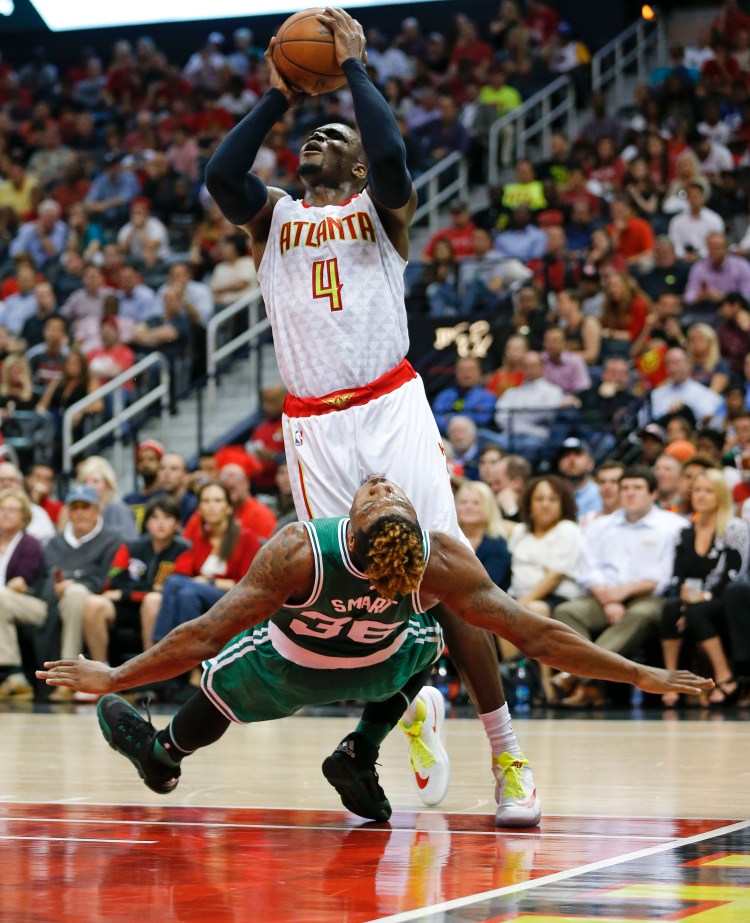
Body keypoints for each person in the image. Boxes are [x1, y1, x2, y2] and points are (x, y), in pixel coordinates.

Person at [203, 8, 540, 825]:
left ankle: (506, 753)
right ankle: (404, 716)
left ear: (353, 166)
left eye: (333, 136)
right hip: (315, 424)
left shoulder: (381, 212)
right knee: (357, 588)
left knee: (444, 575)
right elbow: (221, 176)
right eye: (309, 136)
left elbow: (391, 156)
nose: (320, 139)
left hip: (388, 403)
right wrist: (281, 95)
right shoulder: (272, 217)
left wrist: (352, 70)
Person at [37, 476, 711, 820]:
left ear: (351, 524)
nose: (382, 483)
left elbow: (203, 631)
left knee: (220, 670)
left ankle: (163, 755)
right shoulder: (437, 562)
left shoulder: (303, 549)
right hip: (383, 669)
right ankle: (362, 746)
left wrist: (116, 672)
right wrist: (639, 672)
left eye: (379, 491)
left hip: (286, 675)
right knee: (440, 631)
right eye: (383, 490)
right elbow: (537, 635)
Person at [551, 467, 686, 707]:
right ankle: (590, 686)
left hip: (648, 598)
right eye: (625, 488)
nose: (630, 493)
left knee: (640, 614)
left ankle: (575, 675)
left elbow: (661, 577)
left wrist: (622, 593)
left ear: (653, 493)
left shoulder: (672, 526)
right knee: (567, 611)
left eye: (637, 488)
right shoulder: (601, 525)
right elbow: (588, 569)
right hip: (603, 596)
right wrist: (608, 599)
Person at [659, 469, 748, 708]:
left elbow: (735, 572)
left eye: (708, 491)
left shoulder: (733, 528)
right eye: (697, 490)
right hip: (693, 597)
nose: (701, 495)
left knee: (698, 612)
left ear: (720, 495)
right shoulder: (684, 533)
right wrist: (683, 596)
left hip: (721, 599)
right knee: (670, 609)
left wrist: (704, 596)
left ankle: (725, 677)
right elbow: (678, 575)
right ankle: (670, 679)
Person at [81, 495, 191, 671]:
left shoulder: (184, 550)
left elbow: (171, 589)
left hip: (161, 610)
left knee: (153, 600)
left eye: (167, 518)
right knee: (93, 603)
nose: (160, 523)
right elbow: (113, 582)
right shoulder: (131, 547)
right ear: (147, 523)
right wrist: (148, 588)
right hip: (127, 606)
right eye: (155, 518)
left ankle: (149, 671)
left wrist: (127, 593)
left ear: (177, 524)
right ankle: (100, 669)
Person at [40, 483, 121, 702]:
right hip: (52, 600)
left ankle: (68, 679)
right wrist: (56, 588)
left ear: (97, 510)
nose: (79, 513)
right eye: (74, 507)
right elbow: (43, 577)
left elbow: (106, 579)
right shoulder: (54, 543)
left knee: (75, 594)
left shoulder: (112, 539)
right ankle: (12, 675)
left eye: (85, 507)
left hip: (92, 600)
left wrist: (73, 583)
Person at [0, 488, 47, 700]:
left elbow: (27, 580)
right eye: (2, 509)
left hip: (33, 603)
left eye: (12, 509)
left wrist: (21, 584)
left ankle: (13, 673)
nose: (6, 513)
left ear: (24, 515)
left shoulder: (30, 544)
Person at [454, 479, 511, 589]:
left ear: (488, 508)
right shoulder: (448, 538)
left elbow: (488, 586)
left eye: (476, 503)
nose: (468, 507)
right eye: (463, 502)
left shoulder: (497, 544)